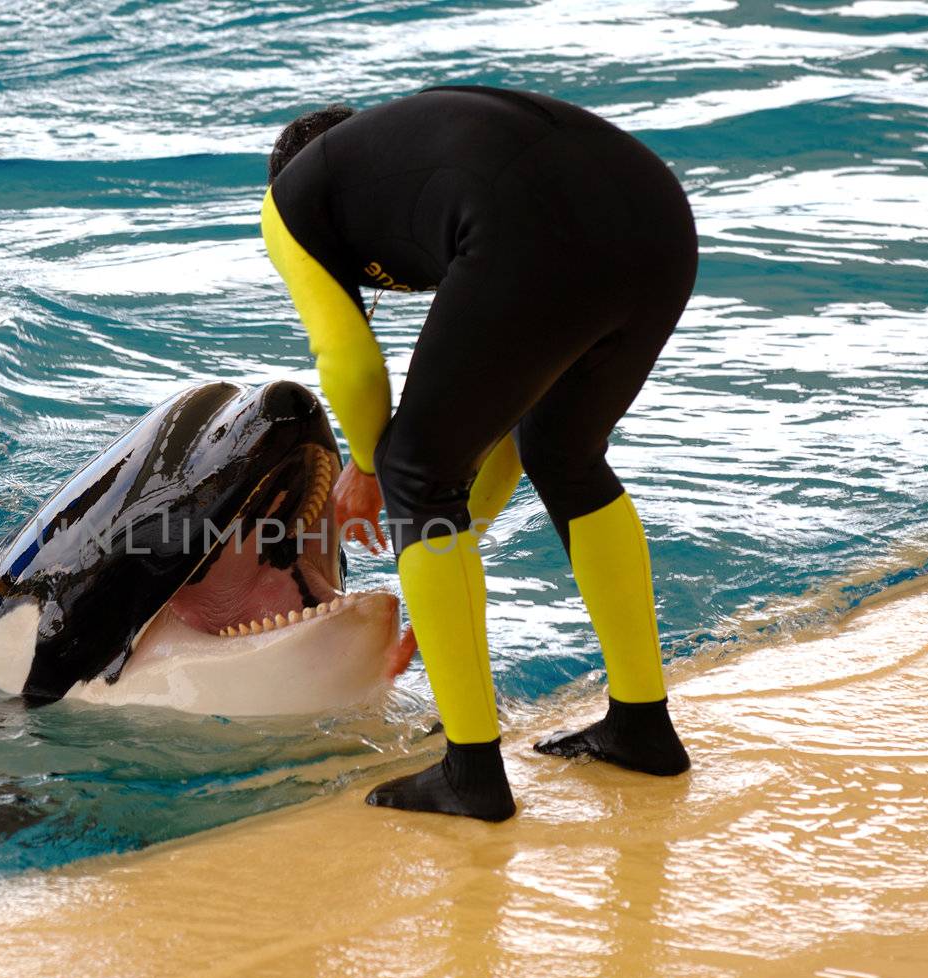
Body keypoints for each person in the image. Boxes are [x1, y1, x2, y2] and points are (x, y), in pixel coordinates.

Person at [260, 86, 697, 822]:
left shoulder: (290, 206)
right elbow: (504, 427)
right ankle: (642, 726)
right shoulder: (424, 176)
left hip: (542, 222)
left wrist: (376, 475)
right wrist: (438, 560)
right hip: (658, 219)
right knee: (565, 454)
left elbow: (351, 367)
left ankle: (471, 773)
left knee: (407, 467)